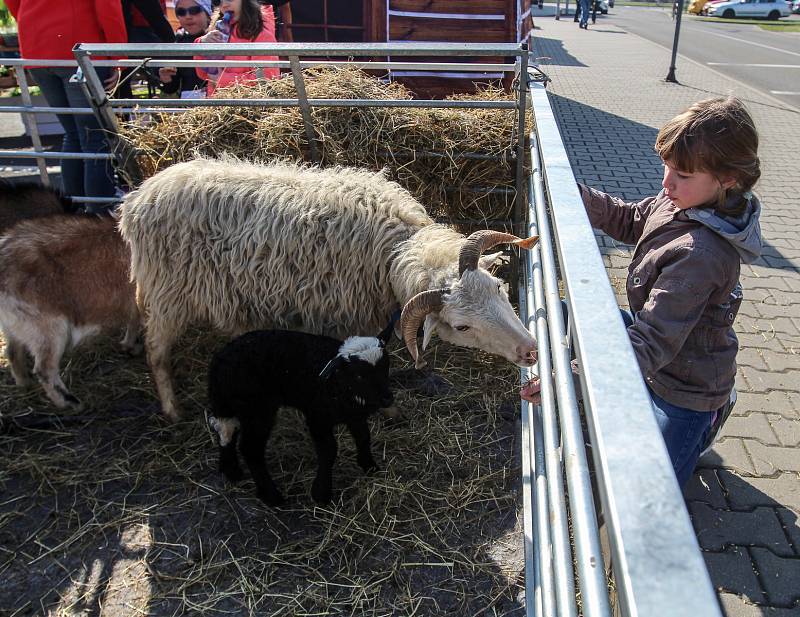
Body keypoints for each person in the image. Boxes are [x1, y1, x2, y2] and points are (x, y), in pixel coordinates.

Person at [520, 97, 762, 488]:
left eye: (681, 174)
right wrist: (571, 194)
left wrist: (567, 379)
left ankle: (706, 421)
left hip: (685, 386)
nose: (666, 184)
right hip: (657, 344)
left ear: (728, 178)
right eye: (666, 168)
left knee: (651, 488)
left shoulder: (701, 256)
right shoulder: (678, 202)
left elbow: (649, 343)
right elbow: (631, 219)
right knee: (564, 312)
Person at [6, 0, 127, 202]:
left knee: (73, 134)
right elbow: (108, 9)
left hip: (36, 49)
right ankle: (99, 209)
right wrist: (118, 56)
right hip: (81, 49)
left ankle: (74, 206)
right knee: (93, 136)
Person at [194, 0, 280, 96]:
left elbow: (267, 79)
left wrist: (222, 79)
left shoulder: (261, 34)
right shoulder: (217, 28)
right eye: (218, 1)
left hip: (248, 106)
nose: (224, 5)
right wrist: (202, 44)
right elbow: (203, 74)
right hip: (216, 103)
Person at [157, 0, 211, 98]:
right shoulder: (178, 41)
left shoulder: (220, 37)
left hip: (218, 101)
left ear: (208, 14)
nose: (188, 16)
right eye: (181, 12)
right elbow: (171, 88)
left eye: (194, 10)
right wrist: (166, 78)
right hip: (189, 105)